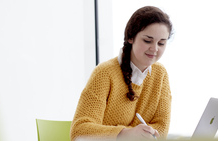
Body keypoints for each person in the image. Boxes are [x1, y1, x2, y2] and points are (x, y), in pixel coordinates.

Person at [70, 6, 173, 141]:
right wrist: (125, 134)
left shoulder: (160, 74)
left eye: (161, 43)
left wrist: (140, 134)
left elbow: (162, 128)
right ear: (130, 37)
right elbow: (79, 132)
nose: (154, 49)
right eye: (147, 41)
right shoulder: (104, 73)